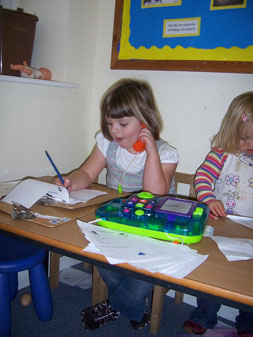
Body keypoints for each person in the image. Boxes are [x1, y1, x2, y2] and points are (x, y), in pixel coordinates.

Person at [55, 78, 179, 330]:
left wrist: (151, 151)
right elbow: (87, 174)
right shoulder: (107, 143)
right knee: (103, 258)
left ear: (145, 120)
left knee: (144, 270)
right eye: (110, 123)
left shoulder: (165, 153)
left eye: (122, 123)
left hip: (151, 226)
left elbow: (155, 194)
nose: (115, 131)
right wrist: (71, 181)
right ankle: (133, 306)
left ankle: (113, 306)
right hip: (116, 222)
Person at [183, 91, 253, 336]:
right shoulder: (222, 154)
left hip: (250, 234)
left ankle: (247, 323)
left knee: (249, 279)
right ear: (232, 132)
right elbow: (202, 177)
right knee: (211, 273)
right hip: (220, 226)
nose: (249, 146)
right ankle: (204, 315)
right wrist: (209, 198)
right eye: (244, 139)